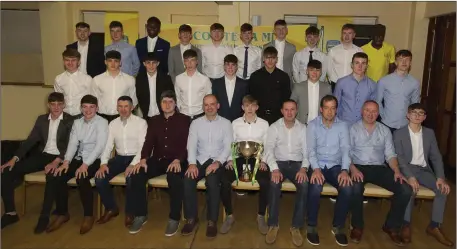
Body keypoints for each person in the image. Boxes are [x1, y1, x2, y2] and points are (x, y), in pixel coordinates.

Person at [1, 93, 73, 231]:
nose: (56, 107)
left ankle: (44, 216)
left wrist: (57, 161)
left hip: (61, 157)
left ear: (64, 105)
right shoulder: (41, 119)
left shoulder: (70, 121)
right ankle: (10, 213)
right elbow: (30, 141)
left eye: (59, 104)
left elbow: (71, 146)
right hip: (43, 155)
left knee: (52, 176)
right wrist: (13, 159)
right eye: (53, 104)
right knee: (7, 171)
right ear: (48, 105)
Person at [349, 100, 412, 246]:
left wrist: (397, 171)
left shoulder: (384, 130)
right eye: (367, 110)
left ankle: (391, 226)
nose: (370, 114)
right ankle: (357, 226)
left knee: (405, 189)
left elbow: (390, 154)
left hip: (379, 167)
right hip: (358, 167)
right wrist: (352, 169)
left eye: (374, 111)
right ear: (362, 111)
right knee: (356, 188)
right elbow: (346, 153)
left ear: (378, 113)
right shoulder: (352, 129)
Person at [128, 90, 191, 235]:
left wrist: (178, 159)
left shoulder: (184, 120)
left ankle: (174, 218)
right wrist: (143, 159)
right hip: (158, 160)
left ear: (175, 104)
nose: (167, 105)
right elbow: (148, 142)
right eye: (164, 102)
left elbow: (187, 143)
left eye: (170, 101)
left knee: (174, 178)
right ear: (160, 104)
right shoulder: (154, 121)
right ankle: (140, 215)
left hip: (177, 160)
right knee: (137, 174)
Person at [394, 103, 454, 247]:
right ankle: (406, 225)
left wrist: (440, 177)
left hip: (424, 170)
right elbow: (399, 159)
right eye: (414, 112)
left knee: (442, 190)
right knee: (410, 190)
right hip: (407, 170)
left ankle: (434, 226)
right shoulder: (399, 133)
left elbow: (436, 157)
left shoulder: (429, 133)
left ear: (424, 117)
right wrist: (410, 177)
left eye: (421, 113)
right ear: (408, 115)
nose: (417, 116)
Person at [50, 94, 108, 234]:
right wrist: (66, 162)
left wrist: (86, 165)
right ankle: (63, 213)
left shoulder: (102, 122)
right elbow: (73, 144)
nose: (88, 110)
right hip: (79, 158)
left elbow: (100, 146)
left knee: (82, 177)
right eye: (85, 107)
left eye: (91, 107)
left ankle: (88, 216)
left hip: (95, 159)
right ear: (80, 108)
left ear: (97, 108)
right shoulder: (77, 123)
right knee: (59, 175)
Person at [181, 94, 233, 238]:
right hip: (199, 159)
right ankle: (191, 218)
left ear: (218, 106)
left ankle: (212, 221)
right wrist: (191, 163)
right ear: (203, 107)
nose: (209, 107)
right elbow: (190, 145)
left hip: (217, 160)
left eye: (212, 104)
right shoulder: (195, 123)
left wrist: (218, 162)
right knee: (188, 179)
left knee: (213, 181)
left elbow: (228, 146)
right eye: (206, 105)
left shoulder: (226, 123)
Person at [219, 95, 270, 235]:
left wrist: (264, 161)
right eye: (247, 105)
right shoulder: (234, 123)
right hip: (238, 158)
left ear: (257, 107)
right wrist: (230, 159)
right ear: (242, 107)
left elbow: (268, 145)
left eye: (253, 105)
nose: (250, 109)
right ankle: (229, 215)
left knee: (266, 182)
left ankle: (261, 216)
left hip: (257, 159)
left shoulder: (264, 124)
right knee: (223, 180)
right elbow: (230, 143)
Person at [306, 95, 352, 246]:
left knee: (347, 187)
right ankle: (311, 226)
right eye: (326, 108)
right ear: (321, 109)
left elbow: (346, 149)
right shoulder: (312, 125)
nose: (329, 112)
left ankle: (338, 227)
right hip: (317, 165)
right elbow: (311, 150)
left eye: (333, 108)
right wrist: (316, 169)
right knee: (315, 187)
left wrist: (345, 170)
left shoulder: (343, 126)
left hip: (335, 166)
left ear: (336, 110)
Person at [94, 96, 147, 227]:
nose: (123, 109)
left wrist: (133, 164)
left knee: (131, 178)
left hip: (137, 158)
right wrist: (103, 163)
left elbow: (143, 147)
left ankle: (130, 212)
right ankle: (111, 208)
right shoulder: (113, 124)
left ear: (132, 107)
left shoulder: (141, 123)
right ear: (117, 108)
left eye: (126, 106)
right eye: (120, 106)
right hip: (119, 158)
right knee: (99, 178)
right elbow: (108, 146)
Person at [263, 99, 309, 247]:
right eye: (286, 109)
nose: (289, 112)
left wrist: (304, 168)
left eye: (292, 109)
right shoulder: (274, 127)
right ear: (282, 111)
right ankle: (273, 224)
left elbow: (308, 152)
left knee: (304, 184)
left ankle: (296, 226)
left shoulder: (303, 128)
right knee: (274, 183)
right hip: (279, 163)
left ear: (296, 111)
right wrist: (274, 168)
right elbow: (268, 149)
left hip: (297, 164)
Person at [377, 50, 420, 132]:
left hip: (405, 124)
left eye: (407, 59)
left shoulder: (415, 82)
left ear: (410, 63)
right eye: (401, 59)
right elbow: (378, 101)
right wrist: (383, 117)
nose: (404, 62)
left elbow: (415, 104)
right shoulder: (384, 81)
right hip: (386, 123)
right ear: (396, 62)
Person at [92, 50, 138, 122]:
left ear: (120, 63)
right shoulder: (97, 79)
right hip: (102, 117)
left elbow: (133, 100)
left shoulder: (130, 79)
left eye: (116, 61)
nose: (113, 64)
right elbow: (94, 100)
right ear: (105, 62)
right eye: (110, 61)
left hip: (122, 116)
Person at [249, 47, 291, 125]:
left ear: (277, 59)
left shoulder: (283, 76)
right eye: (268, 58)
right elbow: (251, 97)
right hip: (259, 116)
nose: (270, 61)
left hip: (278, 117)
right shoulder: (255, 76)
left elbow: (286, 97)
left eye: (273, 58)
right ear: (263, 59)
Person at [333, 52, 377, 126]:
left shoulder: (372, 85)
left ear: (367, 66)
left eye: (363, 63)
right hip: (343, 124)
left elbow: (372, 108)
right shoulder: (341, 82)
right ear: (352, 65)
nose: (360, 66)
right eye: (357, 63)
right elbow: (335, 105)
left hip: (362, 125)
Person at [54, 48, 93, 119]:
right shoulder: (58, 79)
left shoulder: (87, 79)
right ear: (63, 61)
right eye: (67, 60)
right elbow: (58, 100)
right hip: (64, 116)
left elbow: (91, 100)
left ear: (79, 62)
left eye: (73, 60)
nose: (70, 63)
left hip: (82, 116)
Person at [291, 60, 332, 125]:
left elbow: (330, 108)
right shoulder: (298, 87)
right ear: (307, 71)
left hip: (321, 125)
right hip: (301, 125)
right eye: (311, 70)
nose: (314, 73)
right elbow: (291, 107)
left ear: (321, 72)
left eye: (317, 70)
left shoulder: (327, 88)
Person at [175, 49, 212, 120]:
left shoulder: (205, 79)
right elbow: (178, 96)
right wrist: (180, 109)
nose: (189, 63)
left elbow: (208, 97)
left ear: (197, 61)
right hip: (183, 115)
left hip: (200, 115)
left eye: (192, 60)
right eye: (187, 60)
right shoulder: (178, 78)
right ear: (184, 62)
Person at [135, 52, 174, 120]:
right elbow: (139, 97)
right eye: (148, 63)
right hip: (146, 116)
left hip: (163, 115)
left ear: (158, 63)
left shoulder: (166, 78)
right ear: (144, 64)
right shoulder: (139, 79)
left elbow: (171, 97)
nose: (151, 65)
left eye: (154, 63)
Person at [211, 54, 248, 122]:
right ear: (224, 67)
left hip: (239, 121)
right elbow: (214, 103)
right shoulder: (216, 83)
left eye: (233, 65)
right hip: (220, 120)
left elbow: (246, 104)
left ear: (237, 67)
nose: (230, 67)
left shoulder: (244, 84)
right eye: (227, 64)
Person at [327, 24, 363, 91]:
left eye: (349, 33)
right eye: (344, 33)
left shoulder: (359, 51)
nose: (346, 36)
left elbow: (361, 69)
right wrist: (333, 81)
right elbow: (329, 69)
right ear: (341, 35)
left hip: (354, 85)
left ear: (354, 35)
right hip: (336, 84)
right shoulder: (333, 51)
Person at [263, 19, 296, 85]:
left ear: (286, 30)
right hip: (269, 80)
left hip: (286, 81)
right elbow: (262, 64)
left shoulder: (292, 48)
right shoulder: (266, 46)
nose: (281, 31)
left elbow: (294, 66)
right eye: (278, 29)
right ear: (274, 31)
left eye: (283, 28)